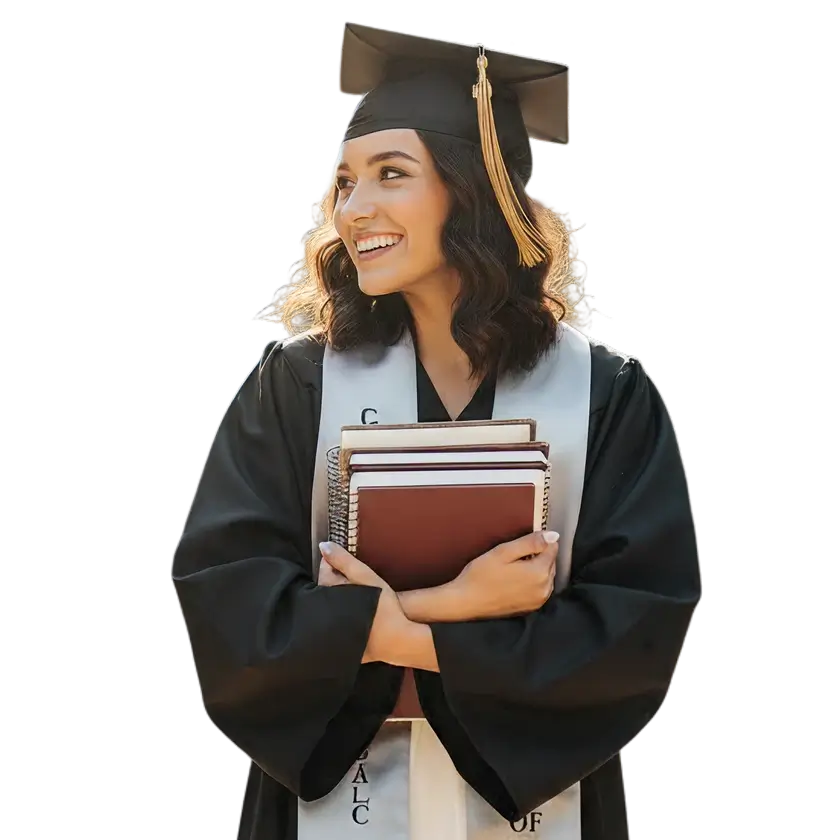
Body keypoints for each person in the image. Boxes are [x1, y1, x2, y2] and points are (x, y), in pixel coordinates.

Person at [171, 23, 701, 840]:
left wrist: (386, 632)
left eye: (392, 174)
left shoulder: (607, 395)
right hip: (330, 806)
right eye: (345, 182)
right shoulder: (299, 384)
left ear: (474, 187)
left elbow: (633, 636)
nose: (355, 208)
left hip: (540, 803)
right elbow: (229, 605)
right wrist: (449, 608)